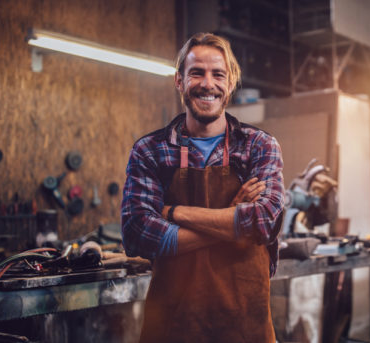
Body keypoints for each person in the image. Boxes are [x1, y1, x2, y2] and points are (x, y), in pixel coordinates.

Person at [121, 32, 284, 343]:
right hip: (174, 326)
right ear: (180, 81)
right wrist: (232, 218)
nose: (207, 83)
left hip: (245, 325)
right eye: (196, 72)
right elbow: (137, 232)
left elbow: (264, 222)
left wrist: (173, 212)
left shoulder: (258, 146)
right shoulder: (150, 150)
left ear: (231, 82)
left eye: (218, 74)